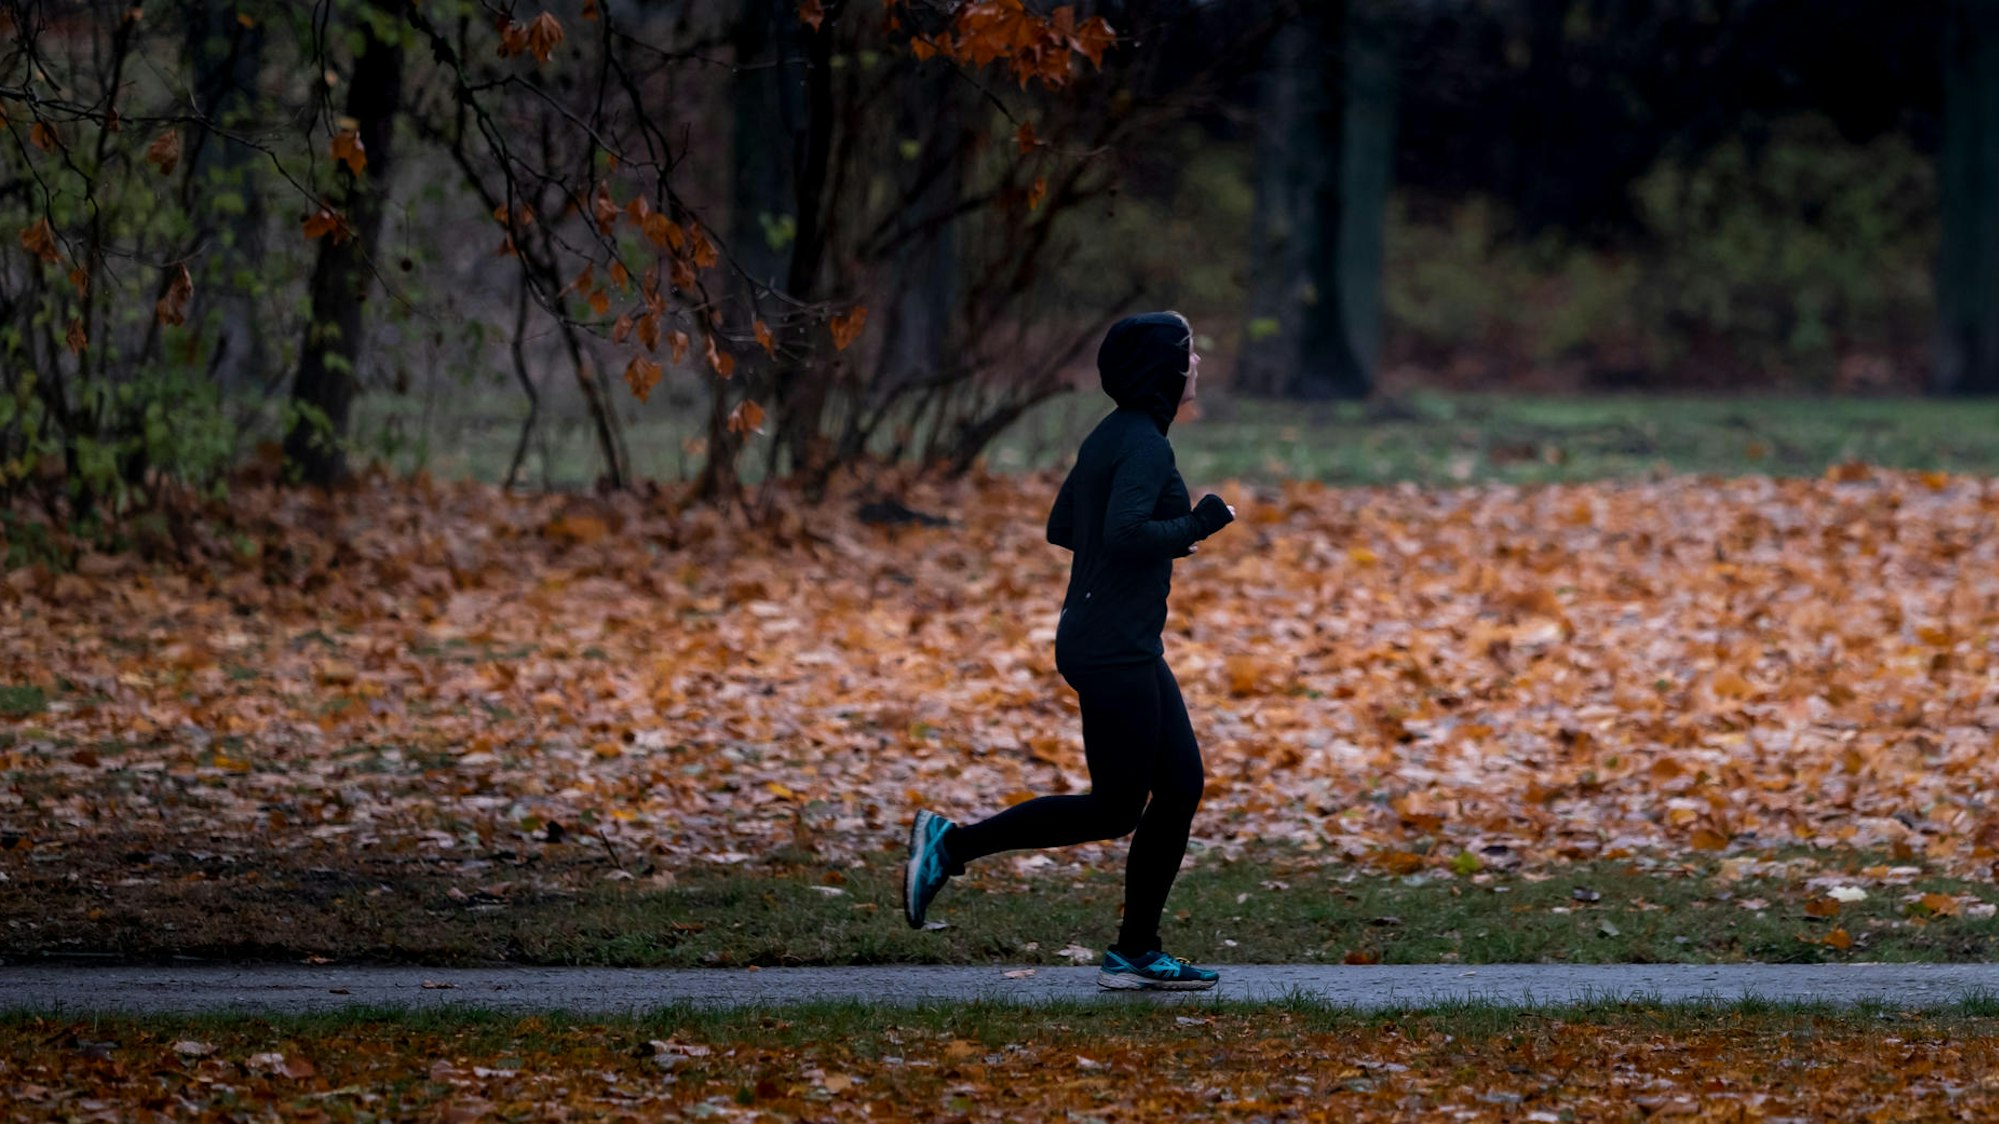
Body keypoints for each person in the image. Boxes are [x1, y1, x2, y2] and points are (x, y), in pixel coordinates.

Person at [902, 311, 1236, 991]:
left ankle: (1136, 952)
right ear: (1164, 370)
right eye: (1189, 353)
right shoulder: (1143, 444)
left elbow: (1065, 525)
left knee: (1178, 786)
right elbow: (1121, 532)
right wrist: (1197, 521)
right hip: (1112, 647)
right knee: (1117, 808)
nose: (1198, 362)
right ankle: (952, 844)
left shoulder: (1111, 436)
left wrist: (1152, 540)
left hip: (1115, 640)